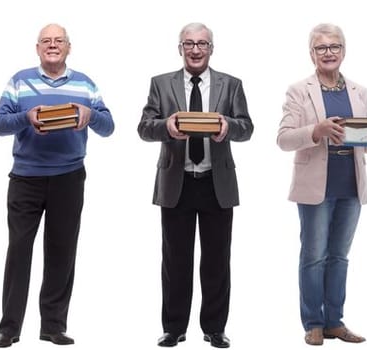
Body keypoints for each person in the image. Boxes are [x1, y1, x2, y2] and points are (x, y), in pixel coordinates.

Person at [0, 23, 115, 348]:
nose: (52, 45)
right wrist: (26, 117)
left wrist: (90, 113)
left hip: (69, 177)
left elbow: (109, 126)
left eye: (58, 40)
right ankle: (9, 328)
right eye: (46, 41)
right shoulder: (19, 81)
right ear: (37, 48)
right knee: (19, 251)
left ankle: (53, 326)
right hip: (26, 178)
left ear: (68, 47)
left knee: (62, 252)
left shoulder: (85, 84)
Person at [137, 22, 252, 349]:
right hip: (177, 181)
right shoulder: (161, 84)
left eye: (202, 43)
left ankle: (214, 328)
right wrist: (166, 126)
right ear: (180, 48)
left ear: (211, 48)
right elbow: (145, 127)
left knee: (217, 260)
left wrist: (228, 126)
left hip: (217, 183)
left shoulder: (231, 85)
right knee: (175, 261)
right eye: (189, 43)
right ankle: (174, 328)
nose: (196, 49)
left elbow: (247, 127)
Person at [276, 22, 367, 347]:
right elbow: (283, 139)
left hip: (351, 186)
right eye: (322, 48)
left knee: (339, 257)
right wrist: (317, 130)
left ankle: (334, 322)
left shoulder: (359, 92)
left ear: (343, 51)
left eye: (334, 47)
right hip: (315, 188)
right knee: (314, 257)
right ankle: (313, 322)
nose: (329, 53)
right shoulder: (300, 90)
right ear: (311, 53)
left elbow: (361, 141)